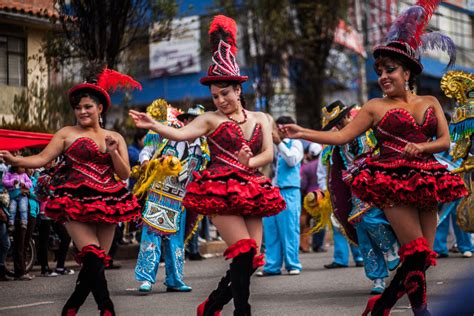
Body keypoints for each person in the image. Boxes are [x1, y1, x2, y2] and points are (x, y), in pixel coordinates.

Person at [280, 2, 468, 315]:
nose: (383, 76)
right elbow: (341, 137)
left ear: (407, 72)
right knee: (415, 251)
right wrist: (302, 132)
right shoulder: (373, 107)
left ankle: (380, 306)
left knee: (420, 259)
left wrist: (422, 148)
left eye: (389, 70)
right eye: (379, 71)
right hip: (391, 182)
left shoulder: (431, 100)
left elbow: (445, 141)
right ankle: (421, 311)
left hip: (428, 178)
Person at [129, 15, 285, 316]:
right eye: (215, 95)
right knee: (242, 252)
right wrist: (155, 125)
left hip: (252, 188)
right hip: (219, 189)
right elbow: (180, 133)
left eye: (225, 93)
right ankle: (243, 311)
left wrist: (248, 161)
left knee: (251, 259)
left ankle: (212, 304)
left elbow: (267, 154)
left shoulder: (262, 119)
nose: (221, 100)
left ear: (238, 90)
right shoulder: (210, 119)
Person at [0, 67, 142, 315]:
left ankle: (70, 308)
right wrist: (16, 160)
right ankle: (107, 308)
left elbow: (124, 174)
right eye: (78, 108)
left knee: (94, 265)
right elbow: (43, 158)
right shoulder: (66, 133)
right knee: (93, 258)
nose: (82, 112)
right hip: (75, 200)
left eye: (88, 106)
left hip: (109, 200)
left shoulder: (114, 137)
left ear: (100, 108)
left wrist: (112, 152)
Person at [134, 102, 208, 294]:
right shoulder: (168, 136)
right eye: (192, 120)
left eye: (200, 122)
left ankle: (174, 280)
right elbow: (146, 151)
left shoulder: (203, 148)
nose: (195, 125)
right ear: (186, 121)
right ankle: (146, 279)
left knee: (175, 241)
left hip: (180, 200)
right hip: (158, 194)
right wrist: (147, 164)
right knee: (151, 236)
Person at [257, 116, 304, 276]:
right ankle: (272, 266)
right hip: (272, 190)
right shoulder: (271, 146)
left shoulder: (296, 143)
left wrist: (279, 143)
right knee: (271, 229)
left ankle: (293, 264)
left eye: (285, 128)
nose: (281, 131)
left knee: (289, 229)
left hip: (290, 190)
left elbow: (292, 160)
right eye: (279, 128)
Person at [300, 142, 323, 252]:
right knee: (320, 221)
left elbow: (303, 184)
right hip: (322, 195)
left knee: (306, 222)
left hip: (309, 197)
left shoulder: (306, 167)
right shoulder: (324, 163)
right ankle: (317, 245)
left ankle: (304, 245)